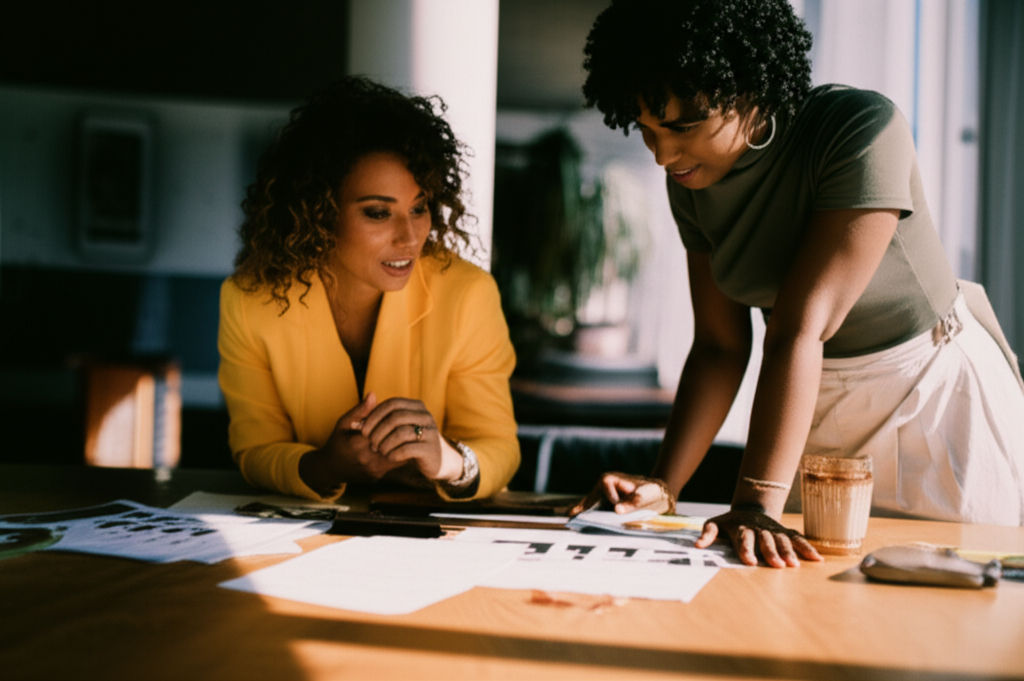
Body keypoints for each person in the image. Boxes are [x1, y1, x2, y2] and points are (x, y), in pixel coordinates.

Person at [571, 0, 1024, 567]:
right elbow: (719, 346)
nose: (663, 153)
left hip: (926, 397)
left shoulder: (859, 129)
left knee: (944, 620)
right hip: (809, 400)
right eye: (646, 127)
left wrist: (756, 502)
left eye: (683, 126)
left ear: (748, 90)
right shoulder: (690, 178)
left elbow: (799, 325)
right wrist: (664, 486)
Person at [218, 76, 520, 502]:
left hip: (435, 532)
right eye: (378, 213)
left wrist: (447, 460)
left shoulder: (468, 295)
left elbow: (499, 446)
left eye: (419, 208)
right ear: (316, 213)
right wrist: (325, 466)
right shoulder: (250, 300)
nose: (410, 236)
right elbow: (254, 449)